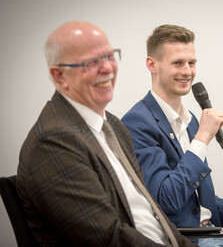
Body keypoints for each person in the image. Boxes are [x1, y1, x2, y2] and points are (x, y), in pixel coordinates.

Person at [16, 21, 196, 247]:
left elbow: (152, 211)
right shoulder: (53, 141)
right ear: (60, 76)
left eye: (110, 56)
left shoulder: (112, 125)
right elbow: (109, 238)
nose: (108, 68)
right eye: (91, 61)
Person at [121, 24, 223, 247]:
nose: (187, 71)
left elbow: (197, 200)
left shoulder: (191, 120)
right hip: (182, 240)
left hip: (213, 234)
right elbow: (167, 200)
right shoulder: (137, 122)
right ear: (152, 65)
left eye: (191, 63)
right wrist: (202, 138)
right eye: (177, 63)